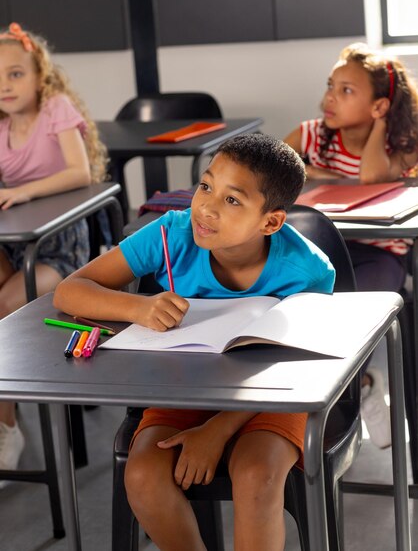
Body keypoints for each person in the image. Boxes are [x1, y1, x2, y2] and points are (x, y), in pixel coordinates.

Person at [54, 132, 335, 551]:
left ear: (271, 222)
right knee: (143, 474)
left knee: (257, 474)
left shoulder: (308, 271)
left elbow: (301, 370)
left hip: (273, 391)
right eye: (206, 186)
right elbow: (69, 291)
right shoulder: (171, 235)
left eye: (232, 200)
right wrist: (138, 307)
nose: (206, 206)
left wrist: (217, 430)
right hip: (185, 385)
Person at [284, 42, 418, 449]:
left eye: (346, 90)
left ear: (380, 105)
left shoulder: (404, 142)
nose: (330, 97)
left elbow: (373, 176)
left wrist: (378, 130)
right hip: (321, 252)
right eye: (330, 85)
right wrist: (315, 169)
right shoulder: (310, 134)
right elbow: (272, 170)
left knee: (350, 313)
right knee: (298, 309)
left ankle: (355, 387)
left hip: (381, 254)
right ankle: (360, 384)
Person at [0, 22, 108, 473]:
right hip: (15, 243)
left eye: (15, 73)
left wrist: (25, 192)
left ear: (40, 77)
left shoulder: (57, 109)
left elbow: (80, 173)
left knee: (6, 305)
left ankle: (6, 425)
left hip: (59, 247)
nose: (5, 85)